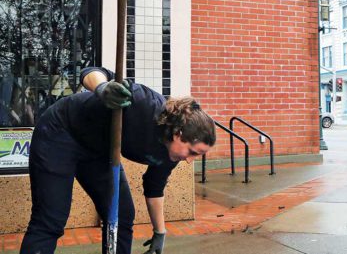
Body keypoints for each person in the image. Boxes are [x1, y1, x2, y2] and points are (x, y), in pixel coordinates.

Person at [20, 66, 217, 254]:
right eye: (193, 152)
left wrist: (160, 232)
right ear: (178, 133)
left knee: (122, 215)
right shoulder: (144, 103)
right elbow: (91, 72)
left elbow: (154, 188)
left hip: (98, 151)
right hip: (60, 131)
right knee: (50, 220)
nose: (190, 160)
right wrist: (103, 88)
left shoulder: (171, 155)